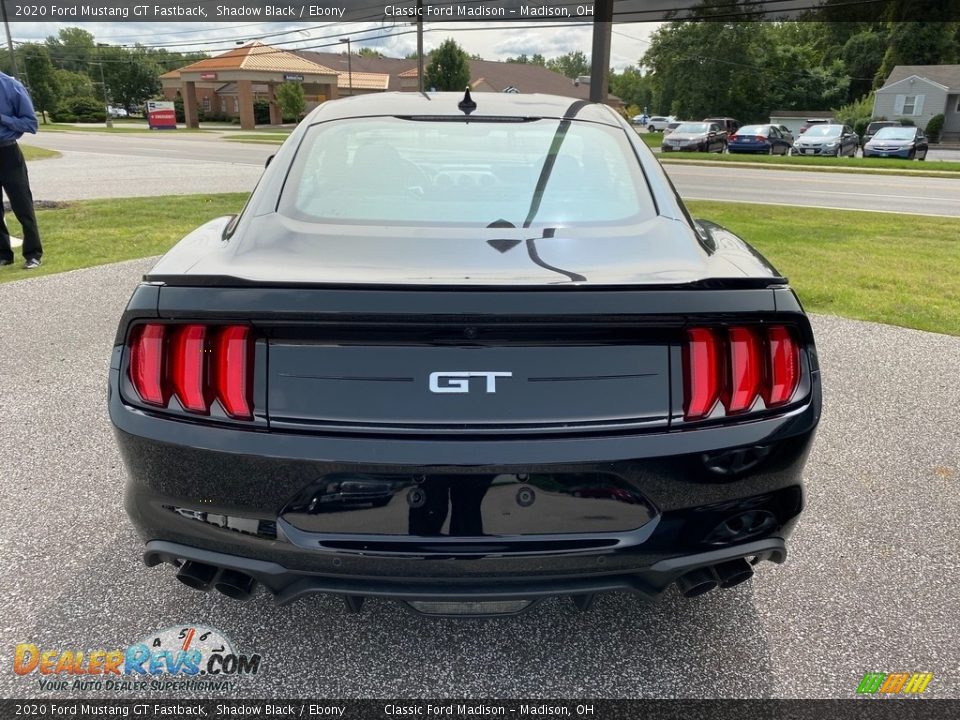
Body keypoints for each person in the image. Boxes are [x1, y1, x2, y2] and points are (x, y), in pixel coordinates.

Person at [0, 71, 43, 269]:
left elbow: (31, 124)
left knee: (22, 204)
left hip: (7, 151)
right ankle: (4, 255)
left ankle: (33, 254)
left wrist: (3, 118)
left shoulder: (11, 85)